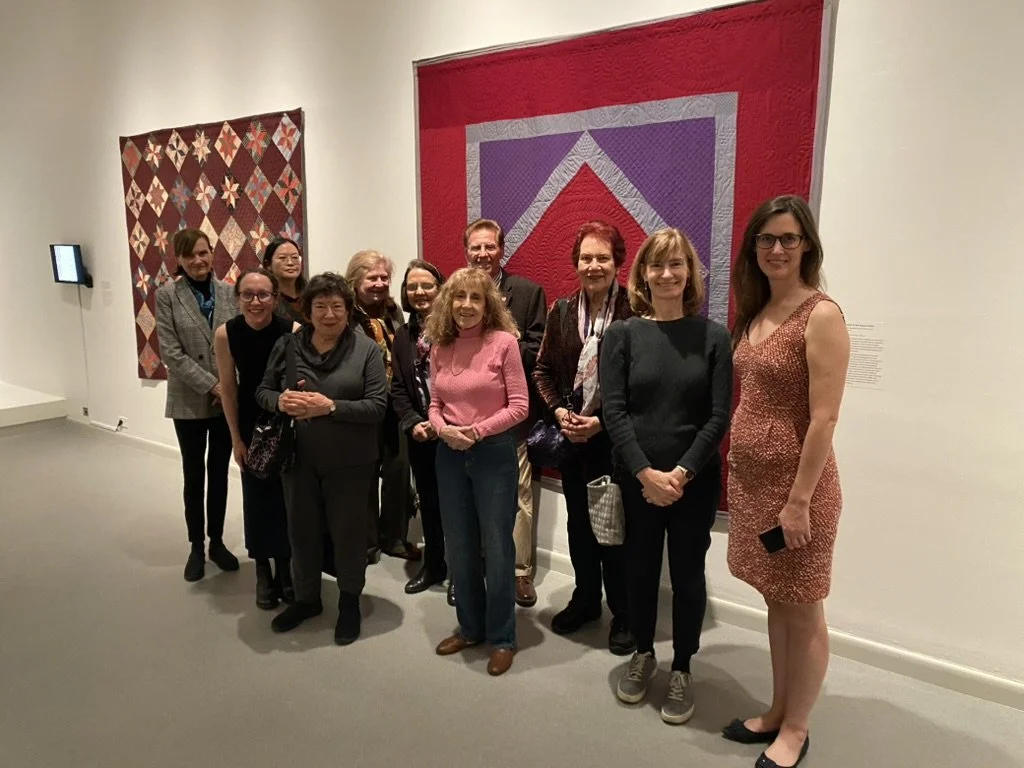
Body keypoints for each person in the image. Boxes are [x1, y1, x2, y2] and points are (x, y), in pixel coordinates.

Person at [722, 195, 849, 768]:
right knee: (777, 602)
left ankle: (796, 729)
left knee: (804, 608)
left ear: (807, 246)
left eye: (788, 239)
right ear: (754, 248)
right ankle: (776, 708)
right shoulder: (756, 312)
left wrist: (799, 503)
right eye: (766, 239)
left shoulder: (820, 313)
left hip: (799, 494)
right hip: (754, 488)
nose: (776, 249)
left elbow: (824, 418)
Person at [599, 228, 733, 725]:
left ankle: (681, 666)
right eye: (657, 265)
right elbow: (614, 412)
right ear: (642, 274)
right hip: (637, 481)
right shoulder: (622, 335)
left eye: (677, 264)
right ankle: (642, 653)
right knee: (637, 571)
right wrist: (645, 473)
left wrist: (679, 473)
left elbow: (719, 416)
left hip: (693, 483)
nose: (667, 274)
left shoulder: (715, 337)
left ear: (690, 273)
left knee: (687, 576)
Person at [255, 272, 387, 645]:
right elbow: (262, 391)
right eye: (321, 306)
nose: (329, 314)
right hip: (298, 460)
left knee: (348, 536)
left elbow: (377, 406)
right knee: (302, 533)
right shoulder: (288, 346)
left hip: (351, 462)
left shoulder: (367, 351)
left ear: (348, 310)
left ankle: (349, 602)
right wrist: (279, 401)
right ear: (308, 310)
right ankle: (307, 599)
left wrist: (330, 407)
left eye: (337, 307)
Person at [533, 221, 634, 655]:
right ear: (575, 264)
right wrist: (558, 411)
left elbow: (643, 385)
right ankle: (586, 599)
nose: (593, 265)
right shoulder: (559, 312)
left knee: (614, 528)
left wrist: (603, 423)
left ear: (618, 263)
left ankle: (624, 613)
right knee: (580, 526)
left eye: (602, 258)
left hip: (617, 444)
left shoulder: (637, 311)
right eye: (585, 258)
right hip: (573, 440)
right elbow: (541, 372)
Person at [427, 267, 529, 676]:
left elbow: (520, 406)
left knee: (498, 547)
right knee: (460, 543)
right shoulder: (440, 345)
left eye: (475, 298)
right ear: (448, 303)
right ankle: (470, 627)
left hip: (493, 454)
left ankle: (502, 636)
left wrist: (477, 431)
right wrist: (442, 429)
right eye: (459, 298)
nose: (466, 306)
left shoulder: (504, 343)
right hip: (449, 454)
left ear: (488, 305)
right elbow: (434, 403)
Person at [463, 218, 546, 607]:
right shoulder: (457, 293)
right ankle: (477, 565)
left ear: (501, 249)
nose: (482, 254)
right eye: (475, 248)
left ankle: (519, 573)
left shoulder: (529, 293)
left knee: (518, 496)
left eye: (489, 247)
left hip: (512, 414)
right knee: (470, 494)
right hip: (467, 416)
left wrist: (505, 344)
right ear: (467, 252)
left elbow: (538, 349)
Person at [154, 228, 240, 582]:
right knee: (194, 473)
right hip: (188, 398)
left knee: (219, 471)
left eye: (204, 253)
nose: (199, 260)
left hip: (226, 401)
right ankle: (195, 546)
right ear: (179, 259)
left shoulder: (229, 292)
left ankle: (217, 542)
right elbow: (171, 353)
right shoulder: (167, 296)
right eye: (191, 255)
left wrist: (228, 388)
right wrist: (213, 385)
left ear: (212, 253)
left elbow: (238, 340)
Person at [213, 268, 297, 609]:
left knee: (287, 497)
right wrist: (236, 437)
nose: (256, 301)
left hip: (284, 420)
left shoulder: (291, 330)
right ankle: (263, 569)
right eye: (248, 294)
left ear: (275, 299)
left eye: (263, 295)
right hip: (249, 422)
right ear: (237, 299)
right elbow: (228, 389)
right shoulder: (226, 334)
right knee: (257, 498)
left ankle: (287, 569)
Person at [345, 250, 420, 562]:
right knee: (362, 473)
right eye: (372, 277)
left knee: (398, 470)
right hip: (361, 404)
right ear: (356, 280)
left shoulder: (392, 310)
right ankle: (366, 541)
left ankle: (394, 536)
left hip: (395, 404)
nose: (379, 283)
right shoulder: (346, 313)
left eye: (384, 278)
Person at [390, 260, 453, 598]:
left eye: (426, 285)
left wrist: (446, 422)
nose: (419, 292)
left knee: (459, 504)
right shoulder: (403, 336)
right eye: (412, 287)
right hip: (421, 434)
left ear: (440, 288)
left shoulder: (458, 329)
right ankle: (434, 564)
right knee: (429, 501)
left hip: (455, 432)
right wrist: (413, 422)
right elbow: (398, 387)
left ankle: (461, 571)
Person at [261, 237, 306, 324]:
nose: (290, 263)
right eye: (282, 258)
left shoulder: (312, 292)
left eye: (295, 257)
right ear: (268, 265)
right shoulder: (264, 298)